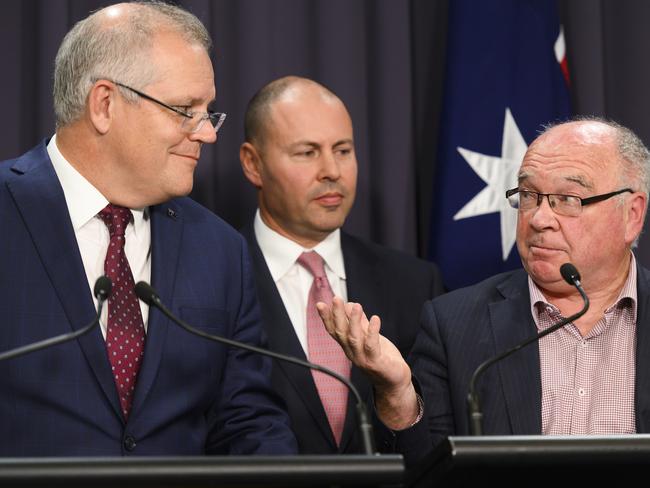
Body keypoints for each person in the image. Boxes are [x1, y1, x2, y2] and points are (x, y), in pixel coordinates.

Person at [0, 2, 296, 456]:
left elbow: (248, 423)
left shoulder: (219, 251)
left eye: (207, 111)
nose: (208, 133)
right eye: (184, 109)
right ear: (104, 104)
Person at [317, 118, 650, 464]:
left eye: (567, 199)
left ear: (632, 215)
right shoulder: (454, 325)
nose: (538, 219)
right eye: (529, 196)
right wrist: (397, 394)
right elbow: (422, 472)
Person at [238, 75, 445, 454]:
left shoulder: (414, 283)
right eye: (307, 152)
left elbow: (432, 440)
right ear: (253, 164)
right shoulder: (216, 277)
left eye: (343, 150)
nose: (331, 170)